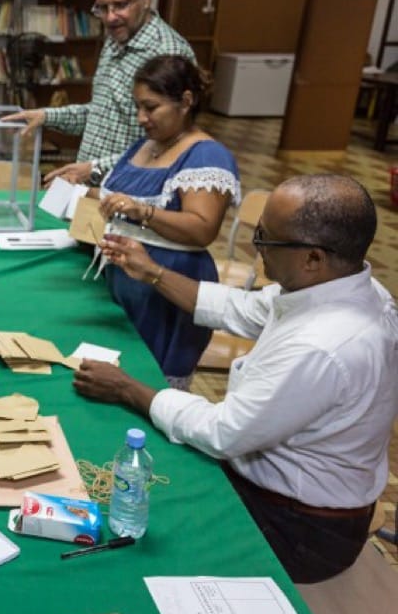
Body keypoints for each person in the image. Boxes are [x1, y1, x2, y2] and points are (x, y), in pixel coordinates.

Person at [72, 174, 398, 584]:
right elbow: (238, 307)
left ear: (313, 257)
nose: (256, 249)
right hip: (292, 496)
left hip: (298, 529)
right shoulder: (347, 287)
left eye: (265, 239)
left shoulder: (322, 345)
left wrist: (127, 388)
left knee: (145, 531)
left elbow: (223, 432)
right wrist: (152, 271)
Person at [92, 55, 239, 389]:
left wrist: (144, 211)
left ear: (186, 102)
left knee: (151, 386)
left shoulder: (206, 155)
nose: (142, 118)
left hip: (168, 288)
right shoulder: (146, 145)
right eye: (138, 107)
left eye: (151, 107)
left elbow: (202, 229)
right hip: (126, 280)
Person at [3, 0, 194, 188]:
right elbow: (102, 115)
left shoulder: (169, 54)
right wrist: (46, 116)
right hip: (90, 189)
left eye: (121, 5)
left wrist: (95, 168)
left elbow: (169, 146)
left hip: (132, 197)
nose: (110, 17)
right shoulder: (115, 39)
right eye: (102, 8)